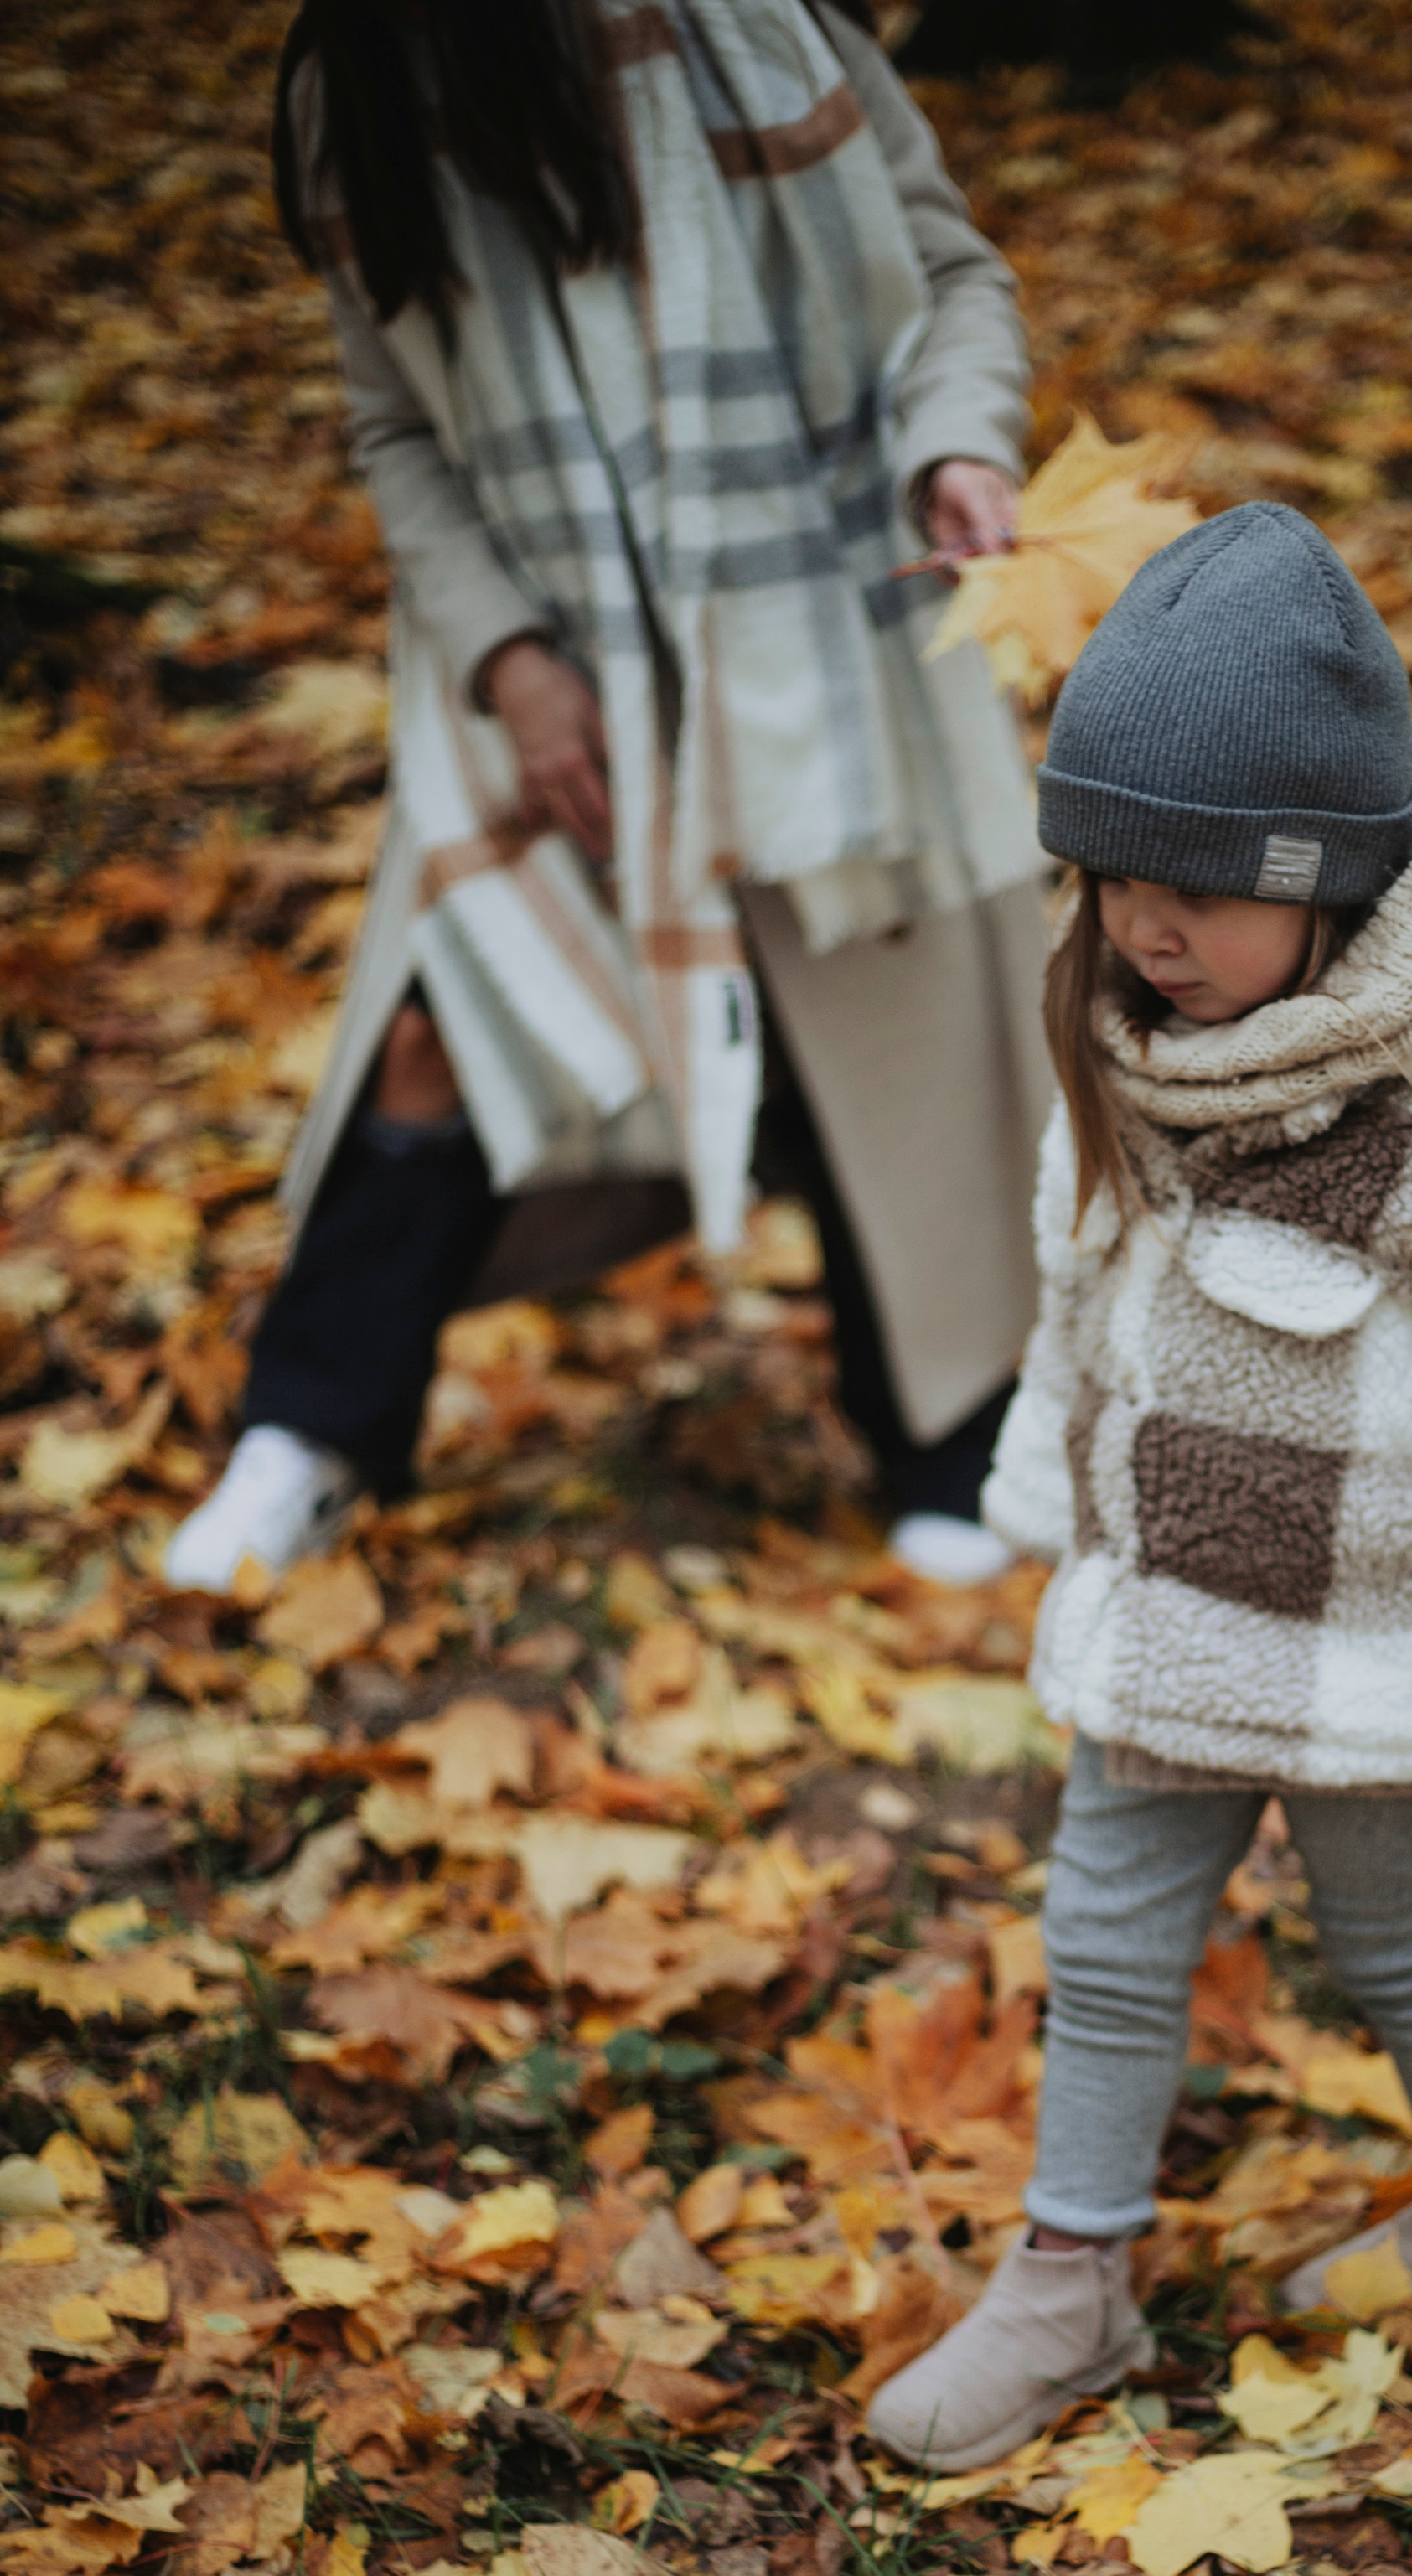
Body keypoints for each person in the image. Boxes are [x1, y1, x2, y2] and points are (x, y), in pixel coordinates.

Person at [869, 504, 1412, 2472]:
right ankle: (1065, 2280)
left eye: (1194, 890)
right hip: (1168, 1612)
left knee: (1404, 1946)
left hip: (1379, 1650)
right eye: (1110, 879)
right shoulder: (1138, 1039)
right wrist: (1041, 1491)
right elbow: (1082, 1284)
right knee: (1098, 1927)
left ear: (1325, 880)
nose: (1144, 928)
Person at [164, 0, 1055, 1598]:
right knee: (454, 1018)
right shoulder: (358, 78)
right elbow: (394, 424)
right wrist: (509, 657)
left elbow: (952, 281)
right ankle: (312, 1430)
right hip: (549, 660)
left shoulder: (769, 26)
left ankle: (945, 1432)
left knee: (870, 1006)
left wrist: (956, 448)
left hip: (832, 640)